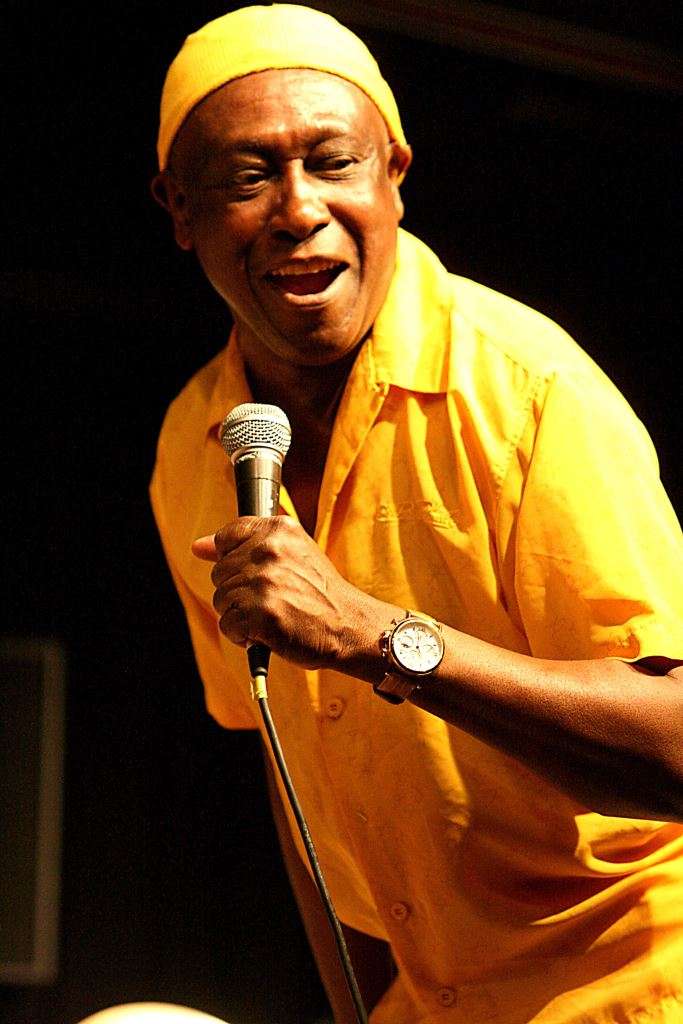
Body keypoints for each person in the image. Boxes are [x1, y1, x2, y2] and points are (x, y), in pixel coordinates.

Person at [149, 5, 683, 1022]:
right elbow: (292, 773)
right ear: (178, 208)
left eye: (333, 163)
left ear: (392, 175)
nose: (298, 209)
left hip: (630, 983)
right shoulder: (193, 444)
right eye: (248, 178)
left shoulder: (529, 389)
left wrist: (375, 636)